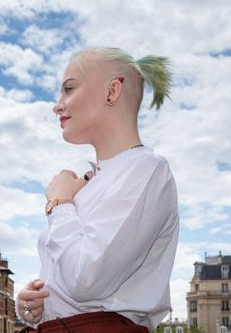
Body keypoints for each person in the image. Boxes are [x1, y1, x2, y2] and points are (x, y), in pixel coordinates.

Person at [16, 47, 179, 332]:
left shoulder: (147, 169)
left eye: (69, 89)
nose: (57, 105)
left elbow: (86, 279)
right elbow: (73, 281)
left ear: (111, 92)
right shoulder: (97, 181)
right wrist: (33, 304)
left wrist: (60, 202)